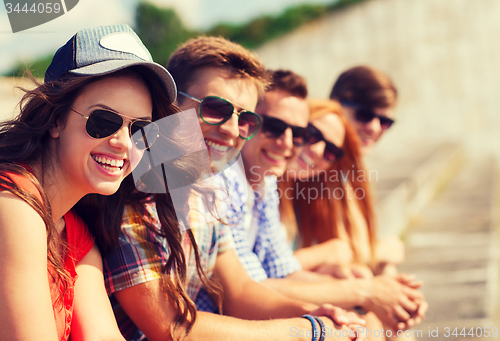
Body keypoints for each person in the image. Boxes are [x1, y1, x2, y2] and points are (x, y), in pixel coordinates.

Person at [95, 37, 365, 341]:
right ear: (169, 108)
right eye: (215, 108)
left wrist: (312, 313)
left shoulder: (206, 189)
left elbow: (238, 290)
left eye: (246, 119)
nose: (232, 130)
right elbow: (170, 327)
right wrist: (306, 330)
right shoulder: (132, 193)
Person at [205, 71, 426, 336]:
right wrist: (358, 293)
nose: (288, 143)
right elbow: (245, 287)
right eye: (311, 135)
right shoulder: (225, 182)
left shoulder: (267, 184)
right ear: (249, 121)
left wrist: (365, 290)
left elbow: (281, 269)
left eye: (298, 134)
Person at [0, 24, 176, 341]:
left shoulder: (75, 235)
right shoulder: (13, 206)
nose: (124, 143)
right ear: (55, 119)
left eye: (140, 130)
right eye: (103, 121)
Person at [329, 66, 397, 156]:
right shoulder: (309, 166)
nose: (374, 128)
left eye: (384, 121)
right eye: (364, 114)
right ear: (335, 105)